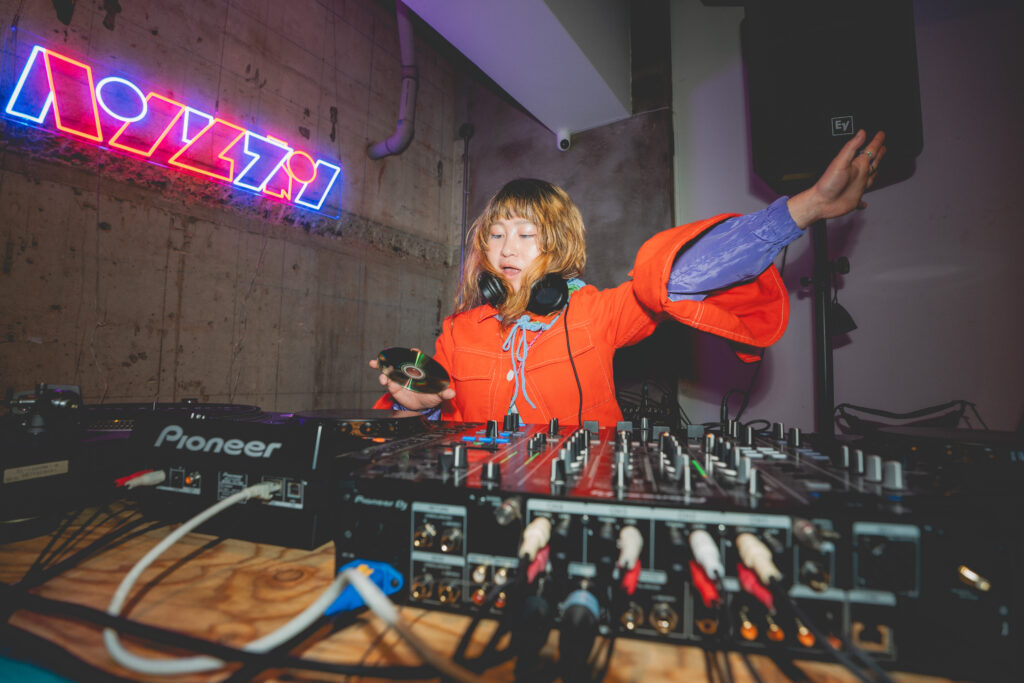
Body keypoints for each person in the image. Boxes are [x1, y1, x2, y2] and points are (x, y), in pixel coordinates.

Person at [371, 130, 886, 426]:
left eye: (526, 234)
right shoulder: (458, 332)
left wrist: (803, 209)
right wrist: (414, 409)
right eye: (496, 235)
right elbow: (423, 433)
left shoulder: (595, 312)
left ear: (557, 246)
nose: (506, 249)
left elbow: (683, 275)